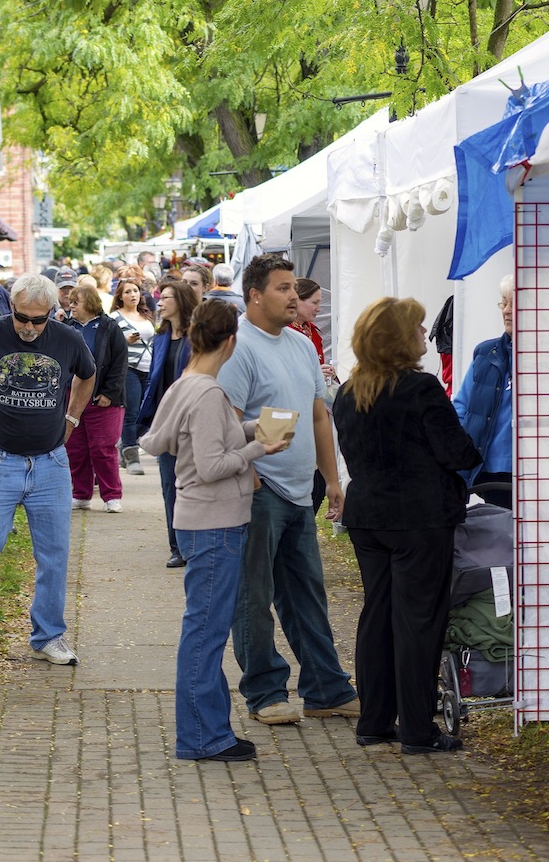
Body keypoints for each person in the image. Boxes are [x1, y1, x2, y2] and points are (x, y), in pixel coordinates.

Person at [141, 299, 289, 762]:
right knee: (205, 634)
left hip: (198, 521)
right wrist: (257, 450)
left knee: (202, 631)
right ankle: (203, 736)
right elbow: (209, 466)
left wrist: (245, 430)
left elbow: (158, 440)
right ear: (230, 341)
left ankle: (207, 731)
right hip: (214, 522)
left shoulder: (188, 385)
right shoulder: (207, 393)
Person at [333, 297, 480, 754]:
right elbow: (456, 452)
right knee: (419, 621)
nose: (424, 336)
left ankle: (374, 721)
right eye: (418, 329)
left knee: (377, 617)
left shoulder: (348, 390)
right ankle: (418, 729)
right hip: (418, 518)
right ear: (400, 338)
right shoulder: (420, 389)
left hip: (368, 516)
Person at [218, 254, 359, 725]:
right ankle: (265, 692)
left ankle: (325, 689)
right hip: (259, 489)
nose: (293, 297)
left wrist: (333, 478)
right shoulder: (237, 347)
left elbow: (319, 414)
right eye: (282, 289)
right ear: (254, 295)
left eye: (293, 289)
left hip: (302, 490)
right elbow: (223, 423)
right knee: (253, 596)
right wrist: (247, 473)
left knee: (306, 595)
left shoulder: (301, 345)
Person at [0, 274, 96, 663]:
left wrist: (72, 419)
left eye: (39, 319)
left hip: (50, 462)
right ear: (11, 307)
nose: (29, 327)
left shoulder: (67, 339)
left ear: (53, 312)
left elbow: (88, 373)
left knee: (54, 552)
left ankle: (49, 635)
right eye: (22, 317)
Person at [136, 280, 198, 568]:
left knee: (193, 484)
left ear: (181, 302)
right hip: (164, 422)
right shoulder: (160, 338)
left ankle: (194, 540)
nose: (159, 303)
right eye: (160, 298)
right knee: (169, 485)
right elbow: (154, 380)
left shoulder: (197, 338)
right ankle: (177, 546)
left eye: (166, 298)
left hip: (192, 421)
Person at [453, 274, 513, 509]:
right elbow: (461, 407)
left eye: (514, 302)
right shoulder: (486, 354)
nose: (507, 310)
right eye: (503, 302)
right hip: (490, 469)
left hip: (537, 469)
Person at [67, 285, 128, 513]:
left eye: (76, 302)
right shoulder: (67, 326)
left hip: (102, 399)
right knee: (76, 448)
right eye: (70, 302)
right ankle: (81, 494)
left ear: (90, 303)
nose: (71, 306)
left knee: (102, 448)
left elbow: (120, 363)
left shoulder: (109, 327)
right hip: (72, 398)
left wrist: (109, 394)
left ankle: (111, 495)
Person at [290, 277, 338, 513]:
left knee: (318, 473)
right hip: (296, 411)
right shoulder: (286, 332)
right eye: (314, 302)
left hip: (315, 407)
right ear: (297, 300)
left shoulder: (310, 329)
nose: (319, 308)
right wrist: (314, 372)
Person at [110, 278, 155, 475]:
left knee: (148, 413)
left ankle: (125, 444)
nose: (133, 295)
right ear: (120, 296)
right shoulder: (114, 318)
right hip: (129, 368)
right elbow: (109, 345)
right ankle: (131, 455)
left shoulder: (146, 316)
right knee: (132, 412)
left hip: (149, 368)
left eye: (135, 291)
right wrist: (124, 340)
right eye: (127, 292)